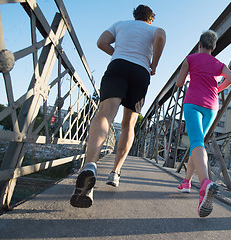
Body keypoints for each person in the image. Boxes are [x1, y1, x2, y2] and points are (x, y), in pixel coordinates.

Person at [70, 4, 166, 208]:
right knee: (128, 125)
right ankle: (115, 173)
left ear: (135, 16)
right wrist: (154, 65)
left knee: (105, 113)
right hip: (140, 71)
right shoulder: (153, 29)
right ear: (151, 19)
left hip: (118, 65)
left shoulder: (120, 25)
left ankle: (90, 165)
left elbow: (101, 42)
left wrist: (117, 53)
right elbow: (161, 37)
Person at [175, 30, 231, 217]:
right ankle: (186, 182)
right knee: (197, 142)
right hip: (211, 107)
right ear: (213, 47)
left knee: (197, 143)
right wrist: (217, 88)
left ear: (199, 44)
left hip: (193, 103)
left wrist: (187, 76)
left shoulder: (190, 58)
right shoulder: (218, 63)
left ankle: (204, 184)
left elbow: (178, 83)